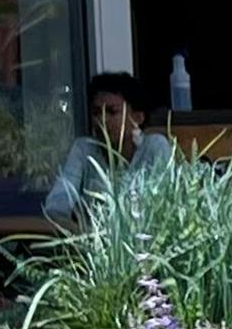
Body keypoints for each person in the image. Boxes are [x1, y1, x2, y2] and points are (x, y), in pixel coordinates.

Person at [41, 70, 176, 219]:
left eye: (112, 112)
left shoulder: (154, 147)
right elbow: (57, 203)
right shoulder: (84, 149)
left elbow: (169, 204)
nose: (103, 120)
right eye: (96, 112)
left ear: (137, 117)